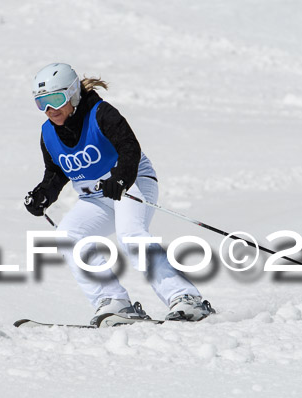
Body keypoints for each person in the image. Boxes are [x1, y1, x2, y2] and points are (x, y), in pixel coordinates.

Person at [24, 63, 213, 325]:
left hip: (133, 183)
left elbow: (129, 148)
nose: (49, 109)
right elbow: (56, 172)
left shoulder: (100, 113)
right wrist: (43, 194)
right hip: (95, 197)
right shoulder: (48, 133)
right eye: (41, 103)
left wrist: (121, 178)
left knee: (131, 236)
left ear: (73, 93)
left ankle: (186, 298)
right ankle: (114, 302)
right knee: (69, 235)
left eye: (55, 99)